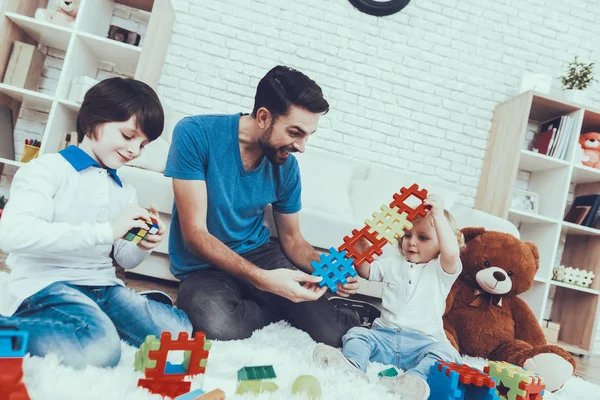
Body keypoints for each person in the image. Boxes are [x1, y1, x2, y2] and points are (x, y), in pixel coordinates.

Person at [164, 65, 377, 346]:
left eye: (307, 135)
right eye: (295, 132)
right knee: (217, 323)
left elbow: (292, 239)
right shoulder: (195, 134)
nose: (302, 147)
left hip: (259, 253)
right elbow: (195, 235)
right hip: (203, 266)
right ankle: (274, 304)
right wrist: (264, 281)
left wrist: (331, 270)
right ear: (264, 117)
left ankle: (273, 302)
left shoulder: (287, 168)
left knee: (333, 333)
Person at [0, 77, 192, 369]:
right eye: (128, 136)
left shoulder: (124, 189)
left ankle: (101, 316)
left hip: (103, 285)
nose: (134, 150)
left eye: (143, 145)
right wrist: (107, 230)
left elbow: (122, 256)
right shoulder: (47, 169)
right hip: (48, 284)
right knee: (100, 351)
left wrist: (142, 244)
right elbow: (12, 234)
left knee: (178, 334)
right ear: (92, 122)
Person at [313, 194, 463, 400]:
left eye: (423, 237)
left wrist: (438, 216)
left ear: (442, 244)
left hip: (423, 343)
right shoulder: (393, 262)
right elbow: (366, 270)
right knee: (357, 334)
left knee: (447, 355)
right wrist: (361, 249)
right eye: (407, 235)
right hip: (385, 335)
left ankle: (413, 381)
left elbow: (452, 253)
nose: (411, 242)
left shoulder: (440, 270)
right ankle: (353, 365)